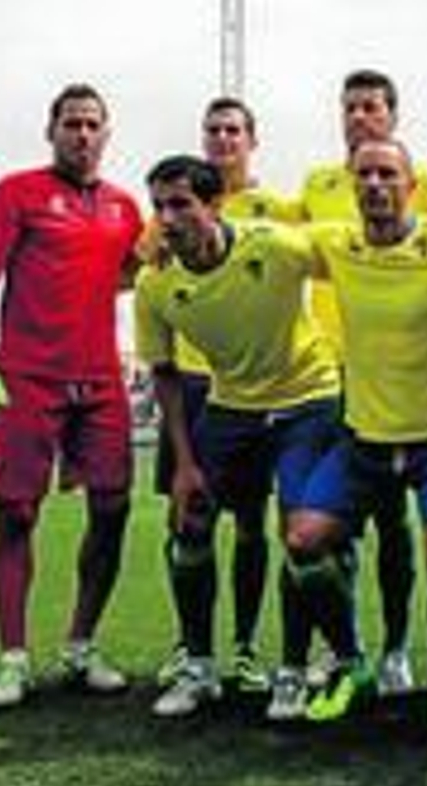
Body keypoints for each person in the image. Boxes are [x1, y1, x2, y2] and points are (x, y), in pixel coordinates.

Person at [134, 155, 340, 717]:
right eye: (159, 206)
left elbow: (353, 251)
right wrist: (183, 462)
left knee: (301, 537)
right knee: (189, 522)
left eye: (181, 204)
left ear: (216, 204)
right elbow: (166, 374)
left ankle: (293, 671)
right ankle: (199, 668)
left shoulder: (274, 244)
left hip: (307, 399)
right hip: (232, 406)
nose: (167, 219)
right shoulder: (155, 286)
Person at [0, 83, 142, 709]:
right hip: (25, 378)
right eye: (71, 123)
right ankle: (13, 660)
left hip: (99, 381)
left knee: (113, 508)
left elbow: (134, 275)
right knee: (16, 514)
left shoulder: (125, 208)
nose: (82, 134)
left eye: (93, 125)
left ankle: (81, 646)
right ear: (51, 131)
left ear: (107, 134)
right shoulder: (16, 192)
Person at [288, 137, 427, 725]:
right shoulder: (336, 246)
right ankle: (352, 662)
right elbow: (259, 243)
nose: (374, 185)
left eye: (387, 174)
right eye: (363, 175)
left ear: (411, 186)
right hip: (364, 441)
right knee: (303, 544)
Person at [142, 97, 303, 697]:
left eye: (233, 130)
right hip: (192, 383)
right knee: (188, 514)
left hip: (260, 383)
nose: (222, 139)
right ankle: (192, 648)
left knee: (255, 521)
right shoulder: (161, 224)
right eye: (212, 130)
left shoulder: (280, 214)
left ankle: (245, 648)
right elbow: (141, 281)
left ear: (252, 140)